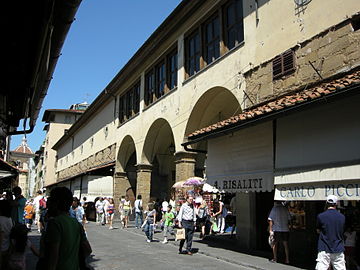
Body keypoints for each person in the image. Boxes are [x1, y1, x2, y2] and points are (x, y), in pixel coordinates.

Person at [42, 186, 92, 270]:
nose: (48, 203)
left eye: (51, 200)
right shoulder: (76, 223)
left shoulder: (55, 223)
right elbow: (88, 250)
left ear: (56, 203)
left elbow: (53, 256)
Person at [315, 195, 345, 270]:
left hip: (324, 246)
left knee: (321, 267)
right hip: (338, 247)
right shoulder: (342, 217)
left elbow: (318, 230)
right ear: (336, 204)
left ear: (326, 203)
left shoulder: (321, 216)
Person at [0, 200, 13, 269]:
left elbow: (1, 235)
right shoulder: (9, 219)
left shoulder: (1, 219)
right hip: (7, 246)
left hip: (1, 248)